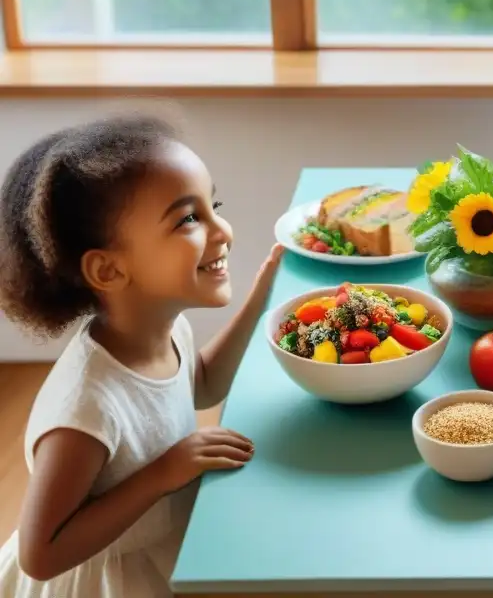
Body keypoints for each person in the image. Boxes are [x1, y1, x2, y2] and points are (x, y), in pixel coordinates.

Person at [0, 115, 284, 598]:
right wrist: (165, 472)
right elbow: (41, 553)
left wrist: (260, 303)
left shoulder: (166, 328)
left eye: (213, 206)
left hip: (157, 545)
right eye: (188, 219)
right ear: (108, 269)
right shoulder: (86, 410)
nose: (223, 231)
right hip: (107, 581)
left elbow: (203, 383)